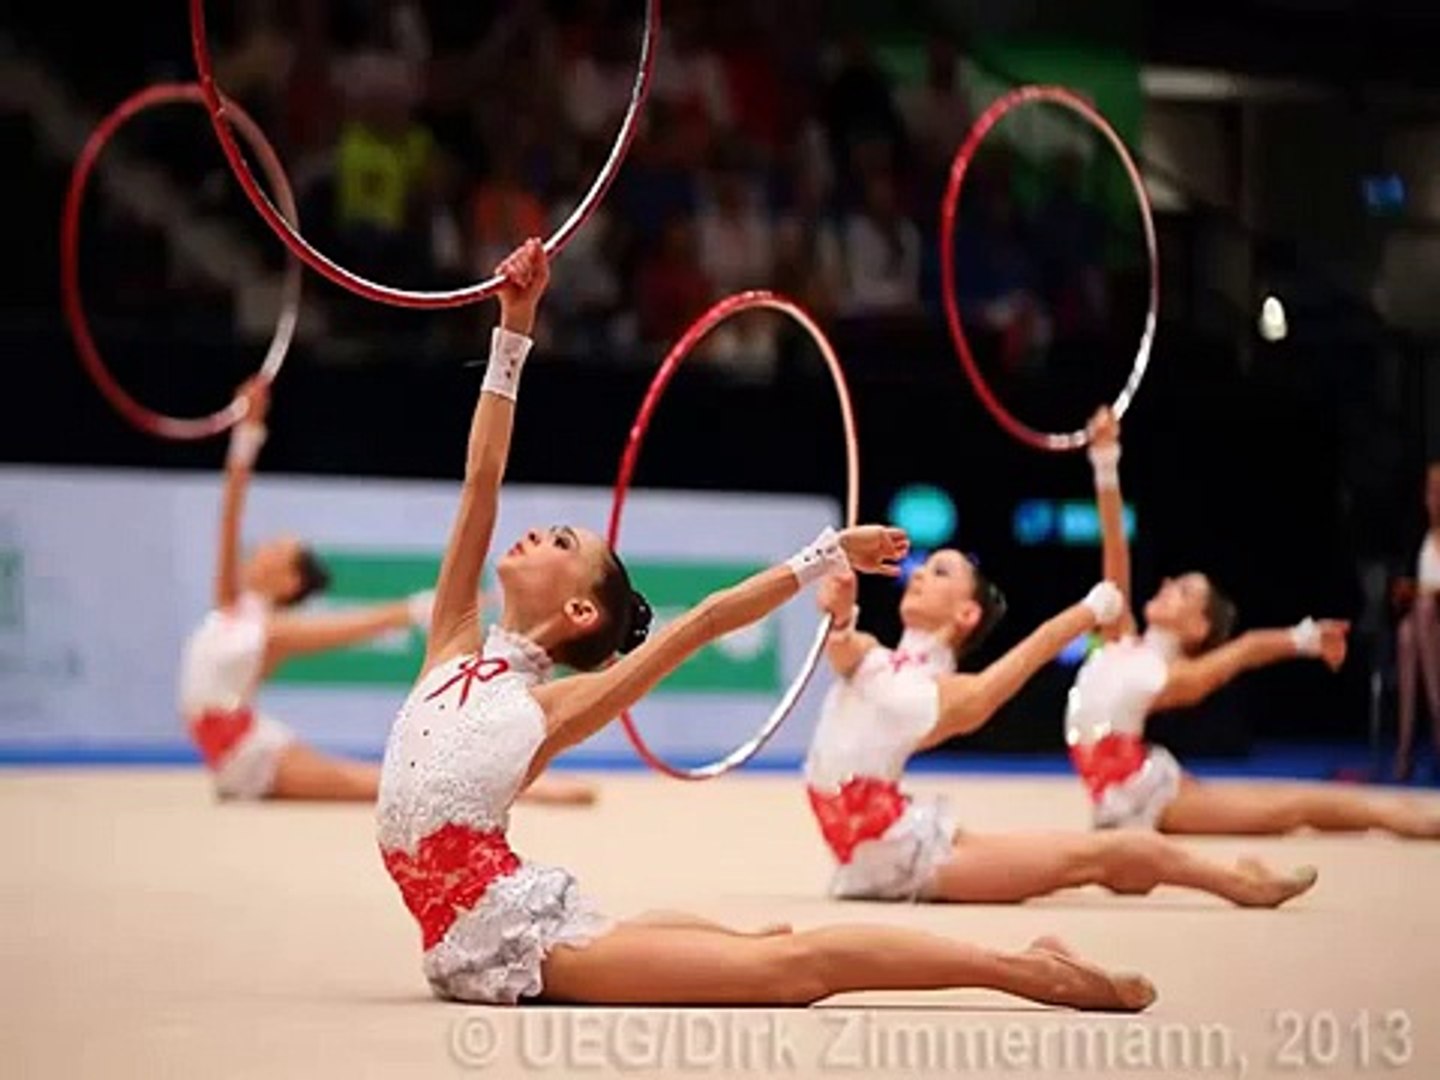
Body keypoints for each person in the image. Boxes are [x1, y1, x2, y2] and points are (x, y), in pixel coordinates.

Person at [375, 238, 1156, 1011]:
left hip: (521, 940)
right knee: (728, 951)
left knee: (797, 973)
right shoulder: (452, 642)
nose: (537, 532)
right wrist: (515, 328)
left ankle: (1021, 971)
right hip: (459, 948)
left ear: (580, 610)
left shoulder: (549, 711)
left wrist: (825, 555)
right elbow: (483, 479)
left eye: (562, 542)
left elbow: (709, 619)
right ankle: (745, 944)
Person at [805, 556, 1318, 906]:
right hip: (881, 842)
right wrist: (843, 607)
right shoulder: (872, 658)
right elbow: (843, 644)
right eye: (924, 568)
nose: (919, 575)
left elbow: (999, 683)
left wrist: (1086, 615)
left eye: (940, 572)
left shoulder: (946, 690)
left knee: (1094, 856)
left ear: (967, 613)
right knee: (1087, 858)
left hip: (897, 850)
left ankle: (1237, 885)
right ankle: (1178, 875)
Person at [180, 375, 595, 806]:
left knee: (385, 787)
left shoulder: (273, 634)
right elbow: (229, 519)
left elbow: (347, 628)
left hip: (247, 754)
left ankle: (537, 789)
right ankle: (532, 787)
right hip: (237, 747)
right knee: (382, 783)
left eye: (275, 553)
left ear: (289, 583)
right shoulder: (234, 605)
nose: (261, 551)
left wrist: (414, 611)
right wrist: (247, 434)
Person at [1067, 406, 1438, 838]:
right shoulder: (1121, 638)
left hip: (1147, 797)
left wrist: (1305, 639)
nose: (1167, 584)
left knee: (1289, 809)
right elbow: (1115, 548)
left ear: (1198, 630)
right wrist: (1106, 459)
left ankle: (1399, 818)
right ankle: (1396, 814)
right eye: (1175, 582)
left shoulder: (1178, 675)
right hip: (1128, 785)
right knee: (1282, 809)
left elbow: (1246, 650)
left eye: (1183, 591)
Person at [1393, 462, 1440, 781]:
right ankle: (1430, 727)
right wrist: (1405, 592)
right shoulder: (1417, 540)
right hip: (1425, 632)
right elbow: (1397, 596)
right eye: (1432, 491)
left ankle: (1407, 748)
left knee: (1418, 620)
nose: (1436, 498)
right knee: (1408, 631)